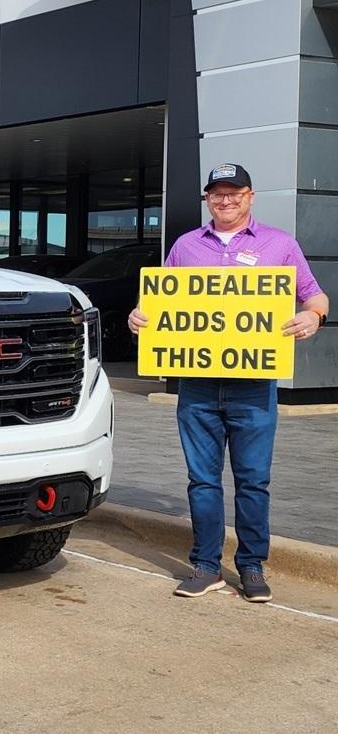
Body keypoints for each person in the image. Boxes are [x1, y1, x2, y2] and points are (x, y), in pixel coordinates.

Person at [128, 164, 330, 603]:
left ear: (250, 196)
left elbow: (315, 296)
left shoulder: (280, 244)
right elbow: (158, 301)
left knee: (253, 480)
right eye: (217, 194)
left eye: (234, 193)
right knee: (201, 481)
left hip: (254, 386)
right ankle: (205, 565)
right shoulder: (185, 246)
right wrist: (138, 316)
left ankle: (252, 566)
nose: (225, 201)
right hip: (198, 386)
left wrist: (312, 316)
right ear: (207, 200)